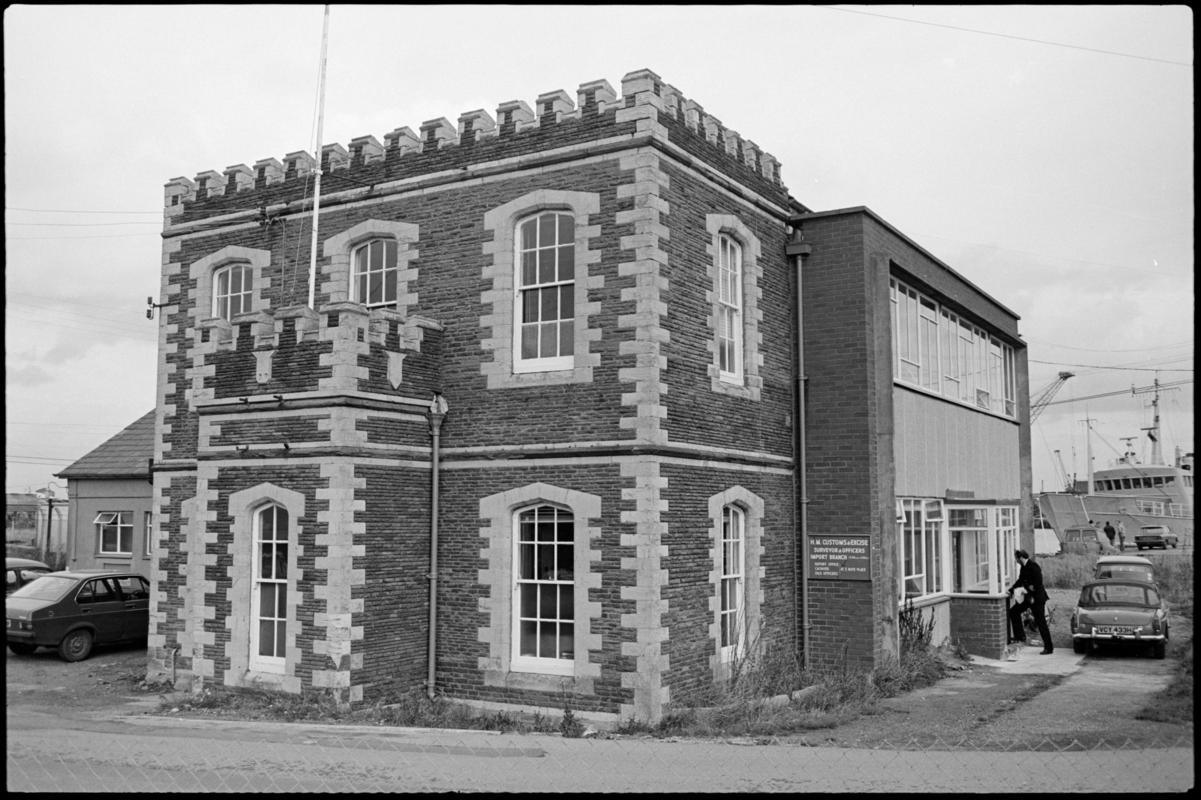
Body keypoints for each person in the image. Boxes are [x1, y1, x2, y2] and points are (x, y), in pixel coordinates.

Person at [1007, 549, 1053, 654]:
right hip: (1029, 598)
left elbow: (1038, 583)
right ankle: (1021, 636)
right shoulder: (1023, 568)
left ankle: (1049, 647)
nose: (1016, 561)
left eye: (1016, 559)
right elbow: (1020, 581)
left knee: (1041, 622)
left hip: (1037, 599)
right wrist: (1011, 590)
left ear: (1021, 558)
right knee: (1014, 611)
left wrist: (1031, 588)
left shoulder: (1034, 566)